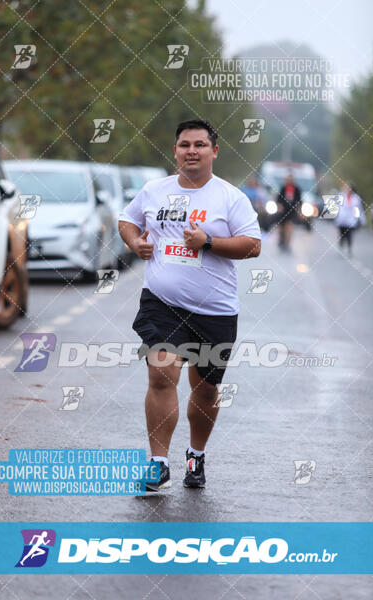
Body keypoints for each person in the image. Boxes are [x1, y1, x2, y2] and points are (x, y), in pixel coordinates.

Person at [118, 119, 261, 491]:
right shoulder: (154, 190)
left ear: (214, 151)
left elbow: (252, 245)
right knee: (161, 373)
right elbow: (126, 220)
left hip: (215, 310)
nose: (191, 151)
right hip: (162, 303)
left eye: (200, 145)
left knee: (207, 390)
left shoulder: (230, 197)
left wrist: (208, 242)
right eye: (185, 145)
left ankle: (195, 456)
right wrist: (135, 244)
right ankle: (158, 463)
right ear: (176, 150)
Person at [335, 182, 366, 257]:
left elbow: (359, 209)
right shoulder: (341, 196)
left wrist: (361, 219)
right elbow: (336, 207)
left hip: (351, 220)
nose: (347, 189)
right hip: (341, 220)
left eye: (349, 188)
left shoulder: (356, 198)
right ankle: (341, 249)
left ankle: (349, 250)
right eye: (346, 188)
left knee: (349, 235)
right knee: (342, 235)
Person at [276, 173, 301, 252]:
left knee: (289, 227)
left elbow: (299, 200)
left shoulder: (297, 189)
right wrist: (279, 206)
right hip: (283, 210)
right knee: (281, 227)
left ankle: (288, 243)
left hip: (291, 210)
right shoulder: (283, 188)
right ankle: (281, 239)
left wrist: (299, 210)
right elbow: (279, 199)